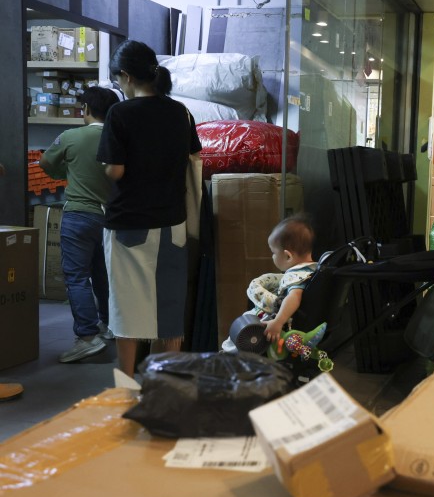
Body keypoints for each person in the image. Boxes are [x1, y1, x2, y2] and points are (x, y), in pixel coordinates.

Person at [97, 40, 202, 378]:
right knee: (169, 307)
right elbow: (193, 161)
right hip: (172, 222)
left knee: (127, 308)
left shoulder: (119, 113)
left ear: (126, 76)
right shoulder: (180, 112)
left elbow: (116, 171)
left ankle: (125, 385)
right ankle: (166, 379)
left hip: (130, 222)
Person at [41, 86, 121, 363]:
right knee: (103, 274)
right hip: (110, 218)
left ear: (85, 109)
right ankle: (110, 325)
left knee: (76, 276)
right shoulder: (118, 138)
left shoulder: (71, 136)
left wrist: (69, 171)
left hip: (78, 214)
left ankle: (87, 337)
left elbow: (45, 163)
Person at [223, 214, 318, 352]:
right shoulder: (310, 270)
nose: (272, 256)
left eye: (273, 252)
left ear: (287, 256)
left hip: (279, 319)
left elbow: (294, 297)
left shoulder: (296, 276)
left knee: (245, 323)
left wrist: (278, 322)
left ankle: (230, 354)